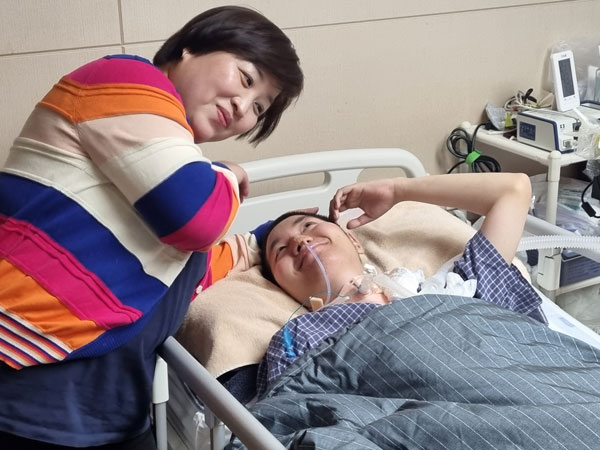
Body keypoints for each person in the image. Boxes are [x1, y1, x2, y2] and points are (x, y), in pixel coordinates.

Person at [0, 6, 302, 449]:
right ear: (189, 48)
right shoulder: (123, 78)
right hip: (25, 387)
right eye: (245, 77)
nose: (243, 106)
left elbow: (190, 268)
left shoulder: (166, 171)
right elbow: (197, 221)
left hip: (113, 406)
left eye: (259, 106)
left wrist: (271, 236)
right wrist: (230, 174)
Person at [255, 172, 547, 394]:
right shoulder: (300, 337)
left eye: (308, 225)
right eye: (280, 250)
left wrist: (397, 190)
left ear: (354, 241)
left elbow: (514, 190)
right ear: (284, 289)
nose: (299, 240)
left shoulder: (456, 287)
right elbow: (288, 419)